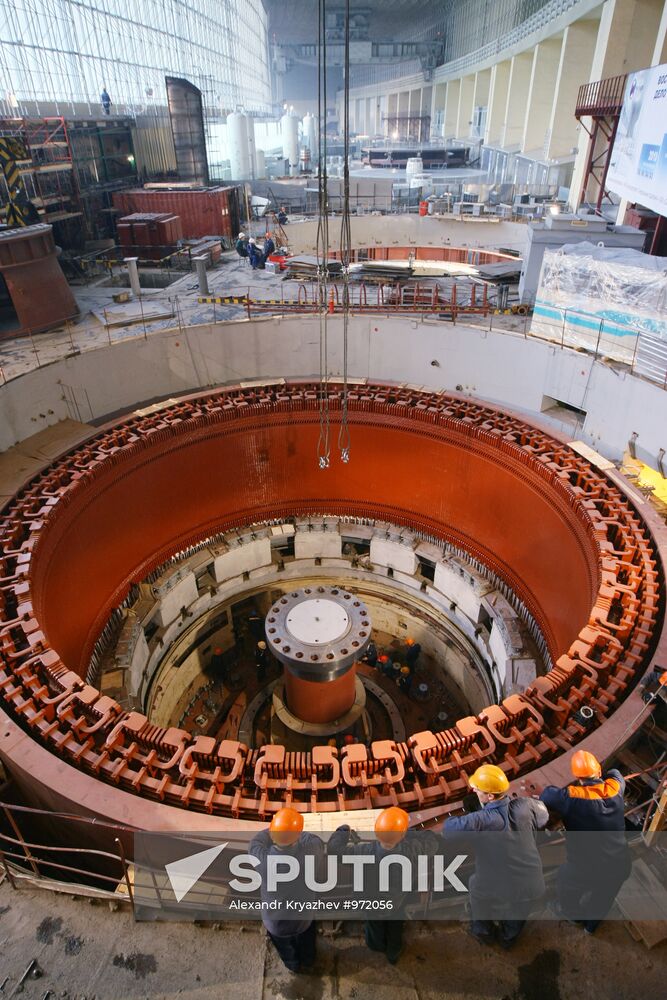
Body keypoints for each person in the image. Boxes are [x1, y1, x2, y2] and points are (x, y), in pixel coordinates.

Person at [443, 764, 548, 949]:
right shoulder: (525, 805)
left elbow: (448, 830)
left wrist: (473, 816)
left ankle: (483, 931)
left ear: (490, 796)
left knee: (476, 887)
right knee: (519, 911)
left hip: (496, 882)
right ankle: (508, 940)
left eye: (478, 789)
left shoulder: (482, 820)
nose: (473, 789)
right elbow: (543, 816)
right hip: (532, 881)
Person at [328, 806, 439, 965]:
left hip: (371, 904)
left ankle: (376, 946)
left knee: (374, 926)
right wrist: (409, 833)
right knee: (395, 927)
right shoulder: (413, 851)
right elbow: (432, 840)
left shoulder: (363, 852)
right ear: (401, 836)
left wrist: (343, 830)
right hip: (396, 901)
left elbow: (335, 850)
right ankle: (393, 954)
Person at [539, 750, 631, 934]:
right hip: (620, 862)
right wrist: (602, 775)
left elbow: (548, 794)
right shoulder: (615, 788)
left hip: (585, 867)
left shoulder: (572, 797)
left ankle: (572, 914)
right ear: (598, 772)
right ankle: (591, 927)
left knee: (566, 884)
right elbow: (615, 773)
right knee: (604, 897)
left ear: (577, 777)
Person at [249, 808, 325, 973]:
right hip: (303, 919)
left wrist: (277, 829)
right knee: (307, 944)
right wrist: (295, 831)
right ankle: (308, 960)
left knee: (286, 949)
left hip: (276, 923)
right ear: (297, 836)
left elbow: (256, 842)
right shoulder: (310, 854)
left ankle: (293, 966)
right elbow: (315, 840)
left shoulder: (261, 860)